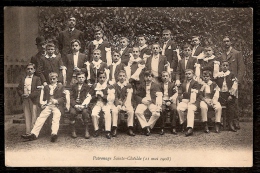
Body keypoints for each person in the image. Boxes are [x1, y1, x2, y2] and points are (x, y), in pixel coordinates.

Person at [22, 72, 65, 142]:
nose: (52, 80)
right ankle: (34, 134)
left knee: (56, 116)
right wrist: (43, 104)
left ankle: (54, 133)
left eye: (54, 79)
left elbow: (64, 98)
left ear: (57, 79)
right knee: (41, 117)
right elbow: (44, 98)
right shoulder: (46, 87)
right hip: (48, 105)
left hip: (57, 106)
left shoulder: (61, 87)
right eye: (50, 79)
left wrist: (56, 101)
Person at [221, 36, 245, 129]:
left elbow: (241, 68)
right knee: (226, 100)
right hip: (224, 81)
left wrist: (238, 81)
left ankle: (236, 122)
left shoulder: (237, 53)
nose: (226, 43)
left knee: (234, 101)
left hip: (234, 81)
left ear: (231, 42)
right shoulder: (222, 55)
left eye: (227, 41)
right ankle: (227, 122)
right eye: (224, 42)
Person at [134, 70, 162, 136]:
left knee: (157, 114)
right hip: (143, 102)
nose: (148, 78)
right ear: (144, 77)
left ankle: (147, 127)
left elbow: (159, 96)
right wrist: (142, 100)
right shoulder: (141, 85)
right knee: (137, 112)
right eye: (146, 76)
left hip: (151, 102)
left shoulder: (156, 85)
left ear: (152, 77)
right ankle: (146, 127)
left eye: (150, 76)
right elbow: (136, 95)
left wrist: (152, 100)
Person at [17, 63, 41, 138]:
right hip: (25, 99)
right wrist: (22, 94)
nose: (29, 70)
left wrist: (30, 95)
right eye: (28, 69)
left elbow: (38, 90)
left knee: (34, 115)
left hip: (33, 99)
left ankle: (33, 133)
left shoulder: (37, 78)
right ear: (26, 70)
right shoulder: (23, 78)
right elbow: (19, 88)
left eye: (31, 69)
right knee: (27, 115)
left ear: (34, 70)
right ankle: (28, 132)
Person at [215, 61, 239, 132]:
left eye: (226, 65)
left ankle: (230, 124)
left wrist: (231, 95)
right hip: (220, 94)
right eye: (223, 65)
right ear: (221, 66)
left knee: (231, 105)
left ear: (228, 67)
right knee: (218, 105)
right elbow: (215, 85)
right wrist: (218, 95)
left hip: (229, 94)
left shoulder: (231, 75)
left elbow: (235, 86)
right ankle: (218, 123)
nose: (225, 66)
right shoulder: (218, 75)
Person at [89, 71, 112, 139]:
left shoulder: (108, 86)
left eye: (103, 77)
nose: (102, 79)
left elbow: (110, 98)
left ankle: (108, 131)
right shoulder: (95, 86)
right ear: (98, 78)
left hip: (106, 103)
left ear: (106, 78)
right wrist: (95, 96)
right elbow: (90, 96)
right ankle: (96, 129)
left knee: (107, 113)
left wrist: (103, 96)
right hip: (97, 103)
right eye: (100, 77)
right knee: (94, 114)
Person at [177, 69, 199, 137]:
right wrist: (181, 95)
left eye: (189, 74)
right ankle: (183, 123)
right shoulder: (183, 82)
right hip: (185, 101)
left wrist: (184, 94)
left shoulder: (195, 83)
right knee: (179, 108)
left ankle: (190, 128)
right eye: (186, 74)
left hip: (193, 101)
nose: (188, 75)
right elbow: (180, 92)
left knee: (190, 109)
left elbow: (194, 94)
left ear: (193, 75)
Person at [69, 72, 92, 139]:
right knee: (72, 112)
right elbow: (71, 97)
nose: (81, 79)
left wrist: (83, 105)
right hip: (75, 105)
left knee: (85, 112)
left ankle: (86, 130)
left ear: (85, 78)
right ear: (76, 78)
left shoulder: (87, 87)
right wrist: (75, 105)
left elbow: (88, 97)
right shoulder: (73, 86)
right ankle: (73, 130)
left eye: (82, 77)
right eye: (79, 77)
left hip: (83, 105)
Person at [113, 70, 135, 136]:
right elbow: (115, 96)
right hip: (117, 104)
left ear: (125, 77)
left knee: (131, 111)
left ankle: (130, 128)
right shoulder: (115, 85)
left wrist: (125, 105)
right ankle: (114, 128)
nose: (122, 77)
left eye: (123, 76)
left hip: (127, 104)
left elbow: (129, 97)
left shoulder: (128, 85)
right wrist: (118, 103)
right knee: (114, 111)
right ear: (117, 77)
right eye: (120, 76)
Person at [159, 71, 178, 135]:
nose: (165, 77)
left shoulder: (172, 84)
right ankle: (162, 127)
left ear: (169, 77)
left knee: (174, 109)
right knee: (162, 109)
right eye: (163, 76)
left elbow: (175, 94)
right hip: (162, 101)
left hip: (170, 100)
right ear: (161, 77)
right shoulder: (159, 85)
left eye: (166, 76)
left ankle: (173, 127)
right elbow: (157, 95)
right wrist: (162, 101)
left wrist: (170, 101)